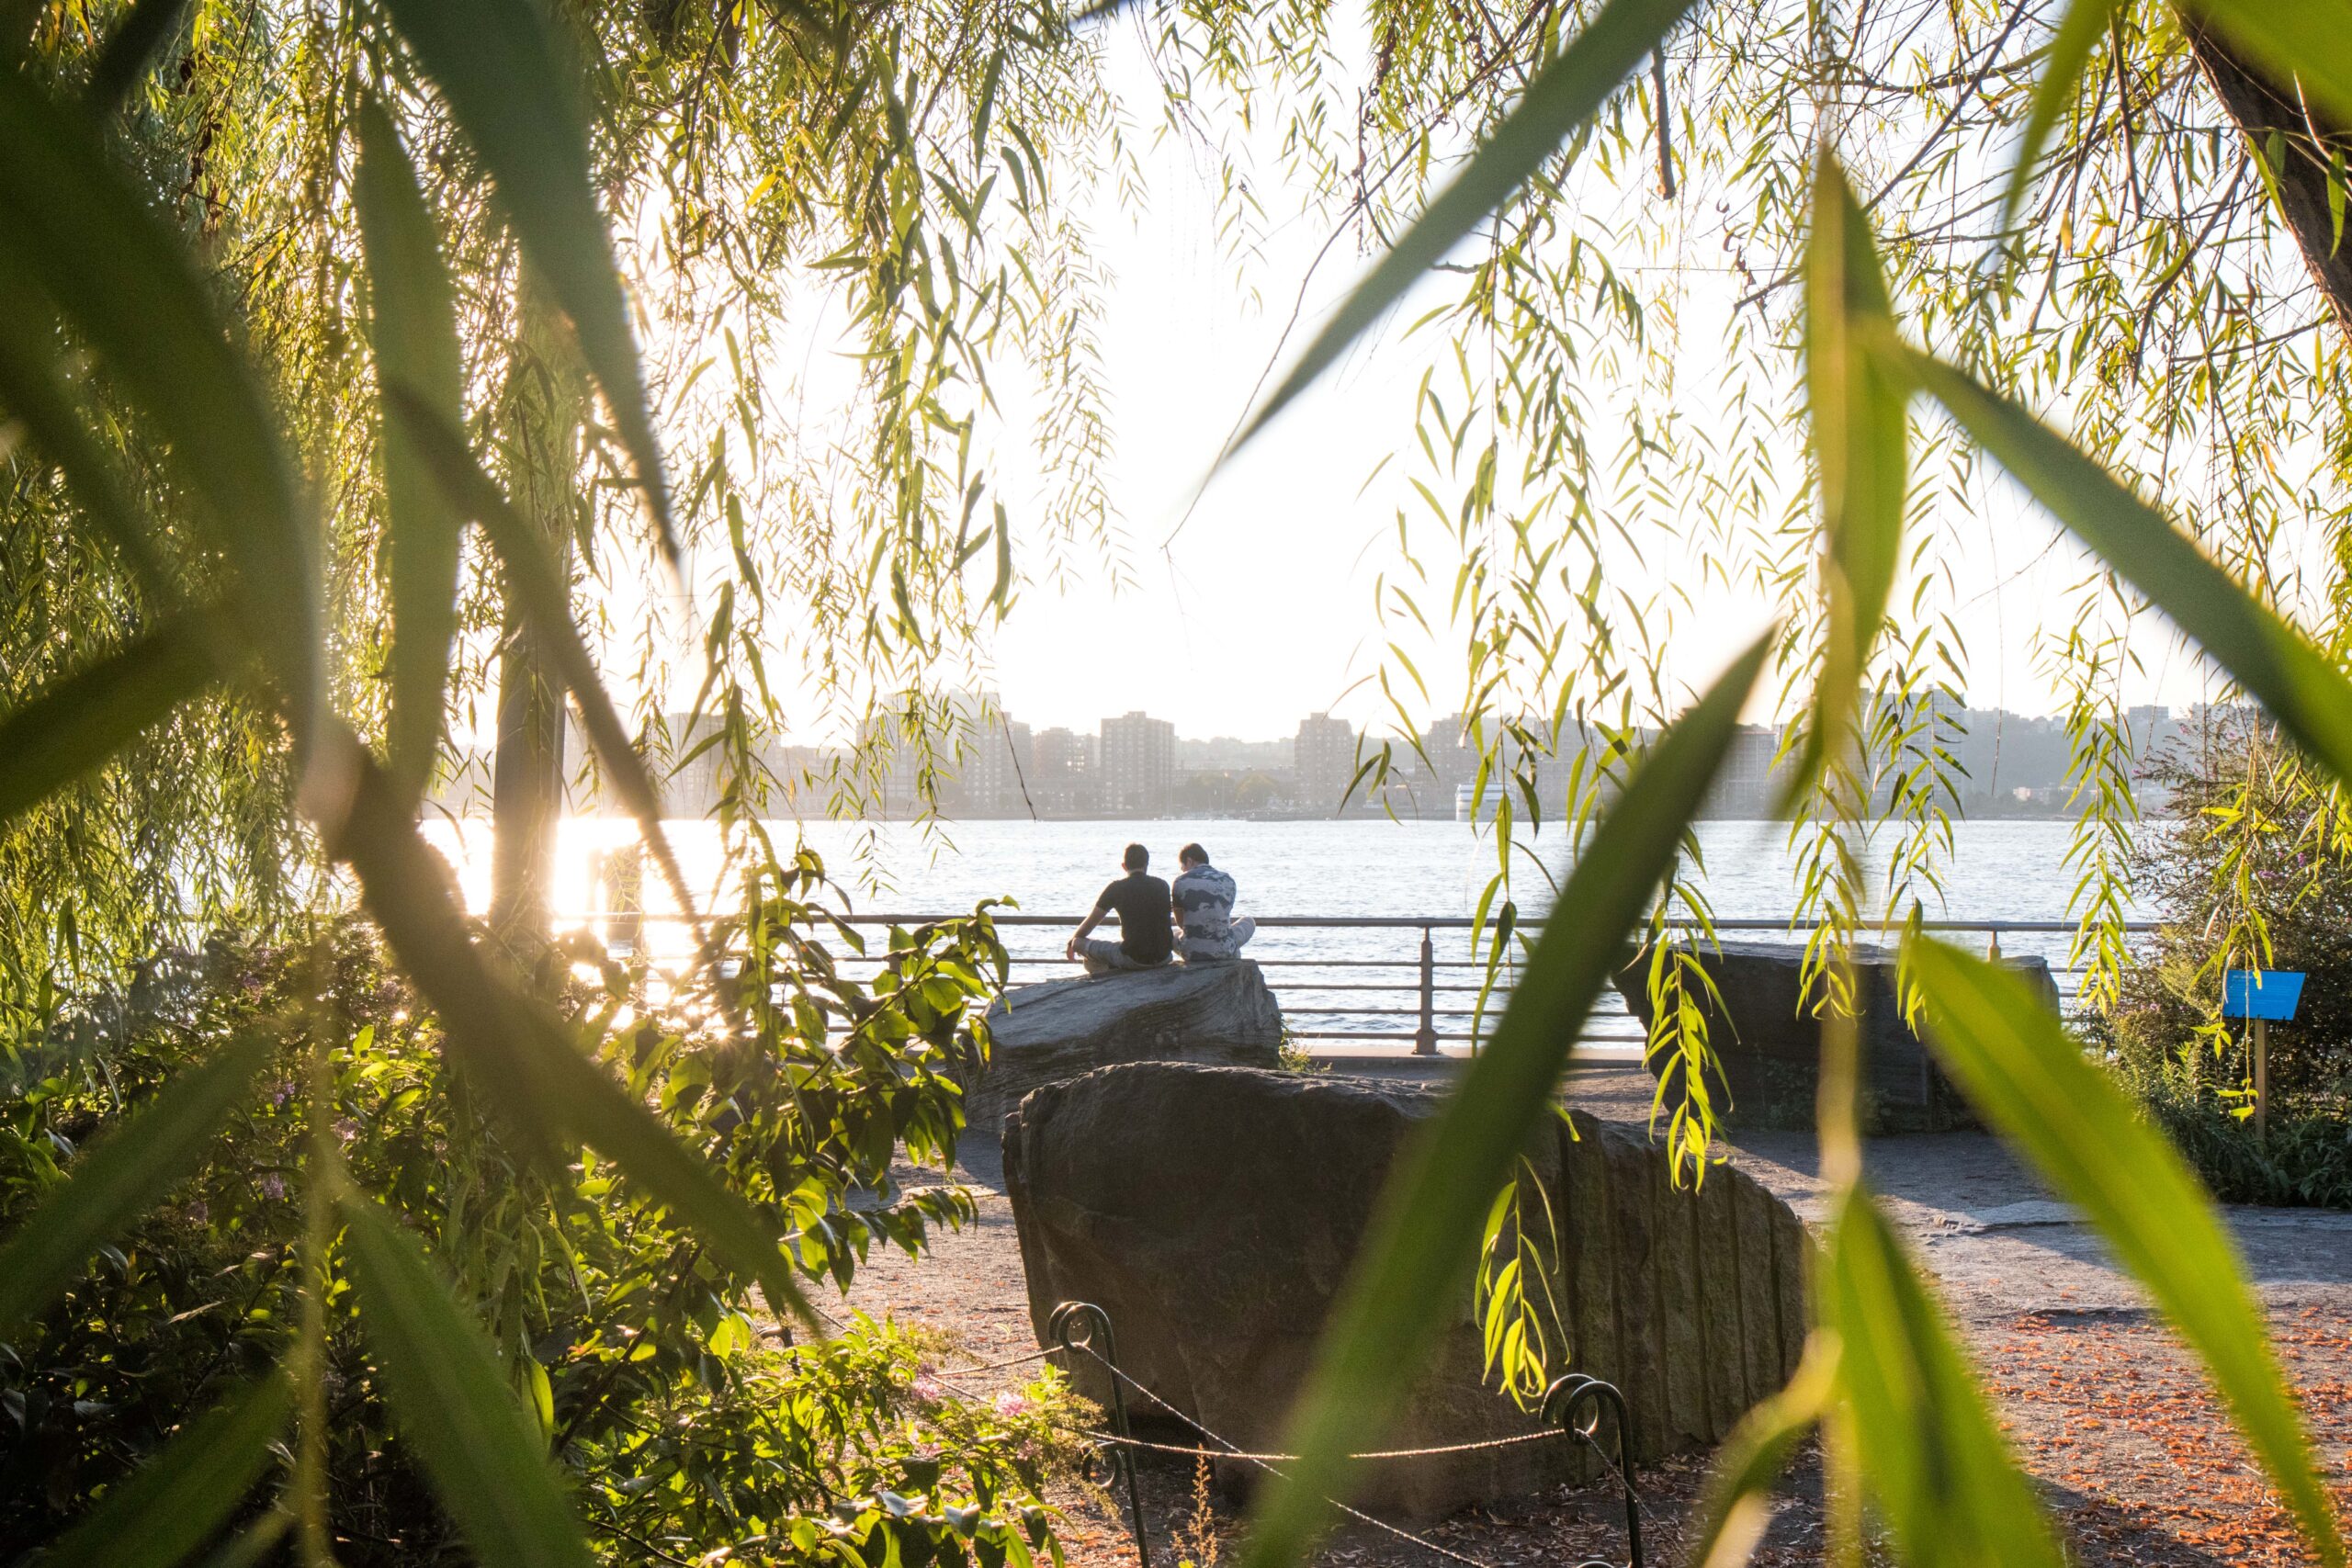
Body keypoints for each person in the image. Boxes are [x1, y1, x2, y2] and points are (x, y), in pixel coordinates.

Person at [1066, 843, 1174, 976]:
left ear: (1124, 866)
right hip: (1165, 957)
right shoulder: (1162, 885)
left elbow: (1088, 925)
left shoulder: (1116, 888)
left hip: (1134, 959)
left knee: (1078, 943)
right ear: (1146, 864)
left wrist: (1071, 943)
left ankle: (1111, 970)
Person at [1171, 842, 1256, 964]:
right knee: (1249, 921)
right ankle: (1232, 953)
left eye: (1182, 867)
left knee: (1171, 933)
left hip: (1191, 952)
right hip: (1223, 948)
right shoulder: (1228, 880)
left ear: (1189, 861)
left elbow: (1181, 924)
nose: (1183, 871)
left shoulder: (1180, 881)